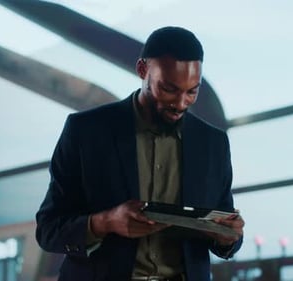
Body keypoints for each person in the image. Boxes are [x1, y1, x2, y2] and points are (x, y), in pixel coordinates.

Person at [36, 26, 244, 281]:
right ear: (142, 70)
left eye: (192, 91)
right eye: (168, 89)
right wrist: (106, 222)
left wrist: (229, 237)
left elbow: (225, 230)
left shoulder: (213, 143)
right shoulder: (86, 131)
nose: (181, 104)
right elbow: (48, 229)